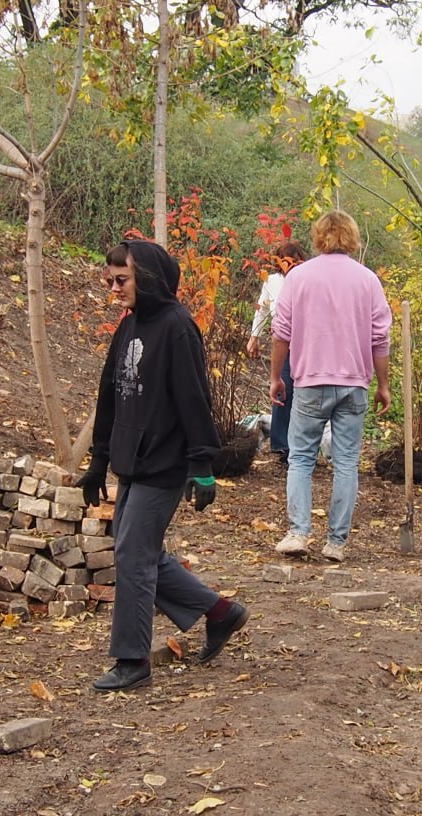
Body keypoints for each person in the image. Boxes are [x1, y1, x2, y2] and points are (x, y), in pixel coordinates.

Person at [77, 239, 249, 693]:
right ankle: (219, 612)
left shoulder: (178, 328)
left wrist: (202, 464)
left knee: (133, 553)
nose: (114, 288)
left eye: (122, 280)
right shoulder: (128, 326)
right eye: (109, 280)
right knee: (137, 550)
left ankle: (133, 659)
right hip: (133, 460)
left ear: (148, 278)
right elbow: (109, 396)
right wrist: (98, 463)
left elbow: (195, 399)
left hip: (168, 462)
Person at [269, 210, 392, 563]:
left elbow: (282, 333)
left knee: (301, 458)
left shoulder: (299, 277)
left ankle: (299, 532)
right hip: (354, 383)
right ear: (352, 238)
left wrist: (276, 376)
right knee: (347, 463)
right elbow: (379, 339)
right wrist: (383, 384)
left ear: (319, 237)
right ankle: (336, 542)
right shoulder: (368, 280)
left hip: (310, 381)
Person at [246, 240, 308, 462]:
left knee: (305, 394)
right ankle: (283, 445)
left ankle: (302, 444)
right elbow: (262, 310)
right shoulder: (271, 282)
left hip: (308, 346)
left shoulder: (308, 279)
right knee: (282, 392)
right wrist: (254, 336)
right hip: (284, 345)